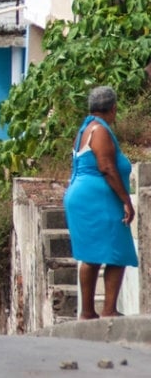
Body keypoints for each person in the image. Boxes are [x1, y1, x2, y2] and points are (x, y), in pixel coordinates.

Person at [64, 86, 139, 319]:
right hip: (98, 197)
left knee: (92, 254)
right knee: (119, 250)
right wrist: (126, 200)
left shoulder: (85, 129)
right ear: (113, 108)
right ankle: (108, 309)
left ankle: (87, 311)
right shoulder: (101, 131)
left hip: (81, 196)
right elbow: (106, 167)